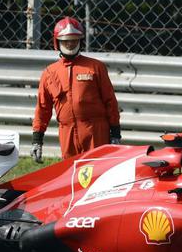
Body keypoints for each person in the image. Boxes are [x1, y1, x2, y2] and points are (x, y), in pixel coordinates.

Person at [31, 17, 121, 162]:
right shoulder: (49, 73)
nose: (70, 43)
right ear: (57, 42)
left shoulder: (96, 67)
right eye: (66, 40)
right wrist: (37, 140)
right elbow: (43, 109)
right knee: (70, 176)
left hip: (95, 131)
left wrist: (115, 134)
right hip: (67, 133)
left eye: (74, 40)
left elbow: (110, 101)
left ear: (80, 41)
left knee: (96, 173)